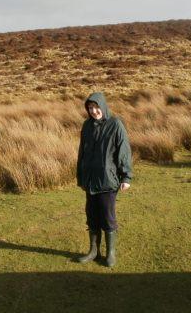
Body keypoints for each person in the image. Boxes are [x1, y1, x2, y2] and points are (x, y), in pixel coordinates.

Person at [76, 92, 132, 267]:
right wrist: (81, 175)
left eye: (96, 107)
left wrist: (126, 176)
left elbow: (123, 151)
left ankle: (110, 254)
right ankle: (93, 251)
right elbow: (82, 153)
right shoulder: (87, 126)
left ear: (103, 106)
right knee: (91, 217)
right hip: (90, 180)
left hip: (108, 180)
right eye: (90, 108)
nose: (93, 111)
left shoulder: (115, 124)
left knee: (107, 217)